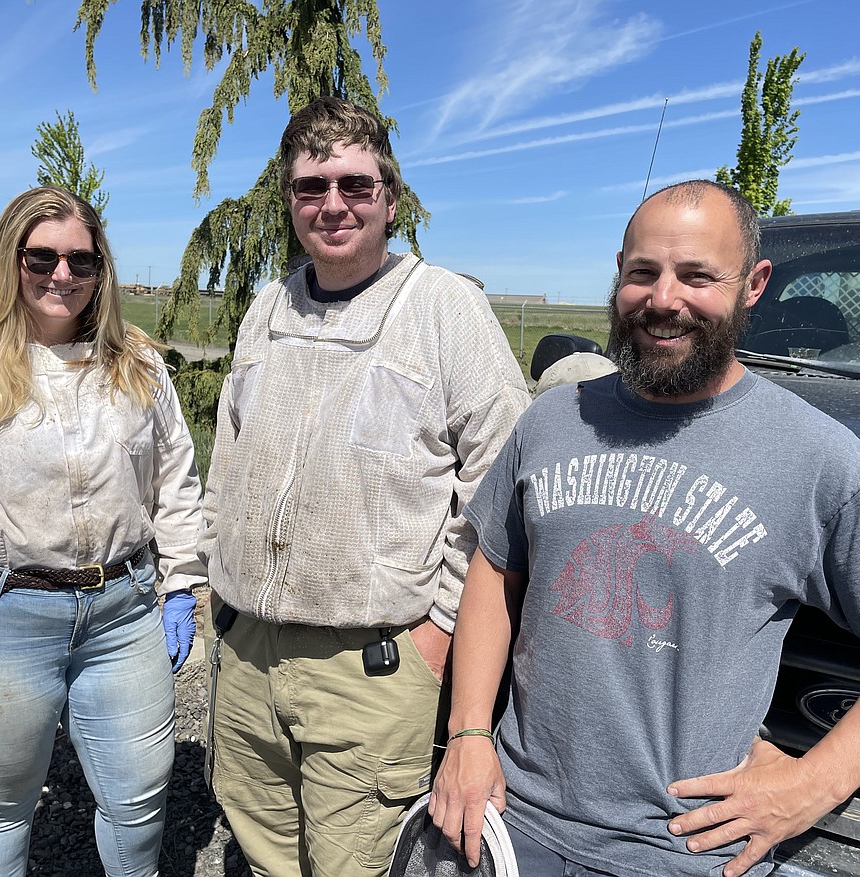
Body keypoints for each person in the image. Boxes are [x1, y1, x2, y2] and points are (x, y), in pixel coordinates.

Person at [428, 180, 860, 877]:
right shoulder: (553, 419)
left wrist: (813, 784)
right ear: (618, 271)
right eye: (643, 272)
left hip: (676, 851)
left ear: (754, 284)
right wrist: (469, 730)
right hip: (509, 821)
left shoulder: (819, 458)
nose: (663, 299)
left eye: (697, 276)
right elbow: (497, 567)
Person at [199, 96, 529, 877]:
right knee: (263, 858)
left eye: (354, 183)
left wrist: (441, 629)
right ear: (288, 200)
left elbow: (504, 488)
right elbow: (229, 457)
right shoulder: (266, 307)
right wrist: (216, 579)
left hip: (375, 668)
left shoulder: (446, 309)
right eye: (311, 187)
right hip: (248, 658)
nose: (333, 205)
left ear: (389, 195)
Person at [0, 186, 207, 877]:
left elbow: (176, 480)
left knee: (140, 794)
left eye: (81, 260)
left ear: (101, 269)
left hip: (123, 611)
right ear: (8, 260)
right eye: (41, 257)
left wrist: (181, 583)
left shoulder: (138, 367)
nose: (62, 275)